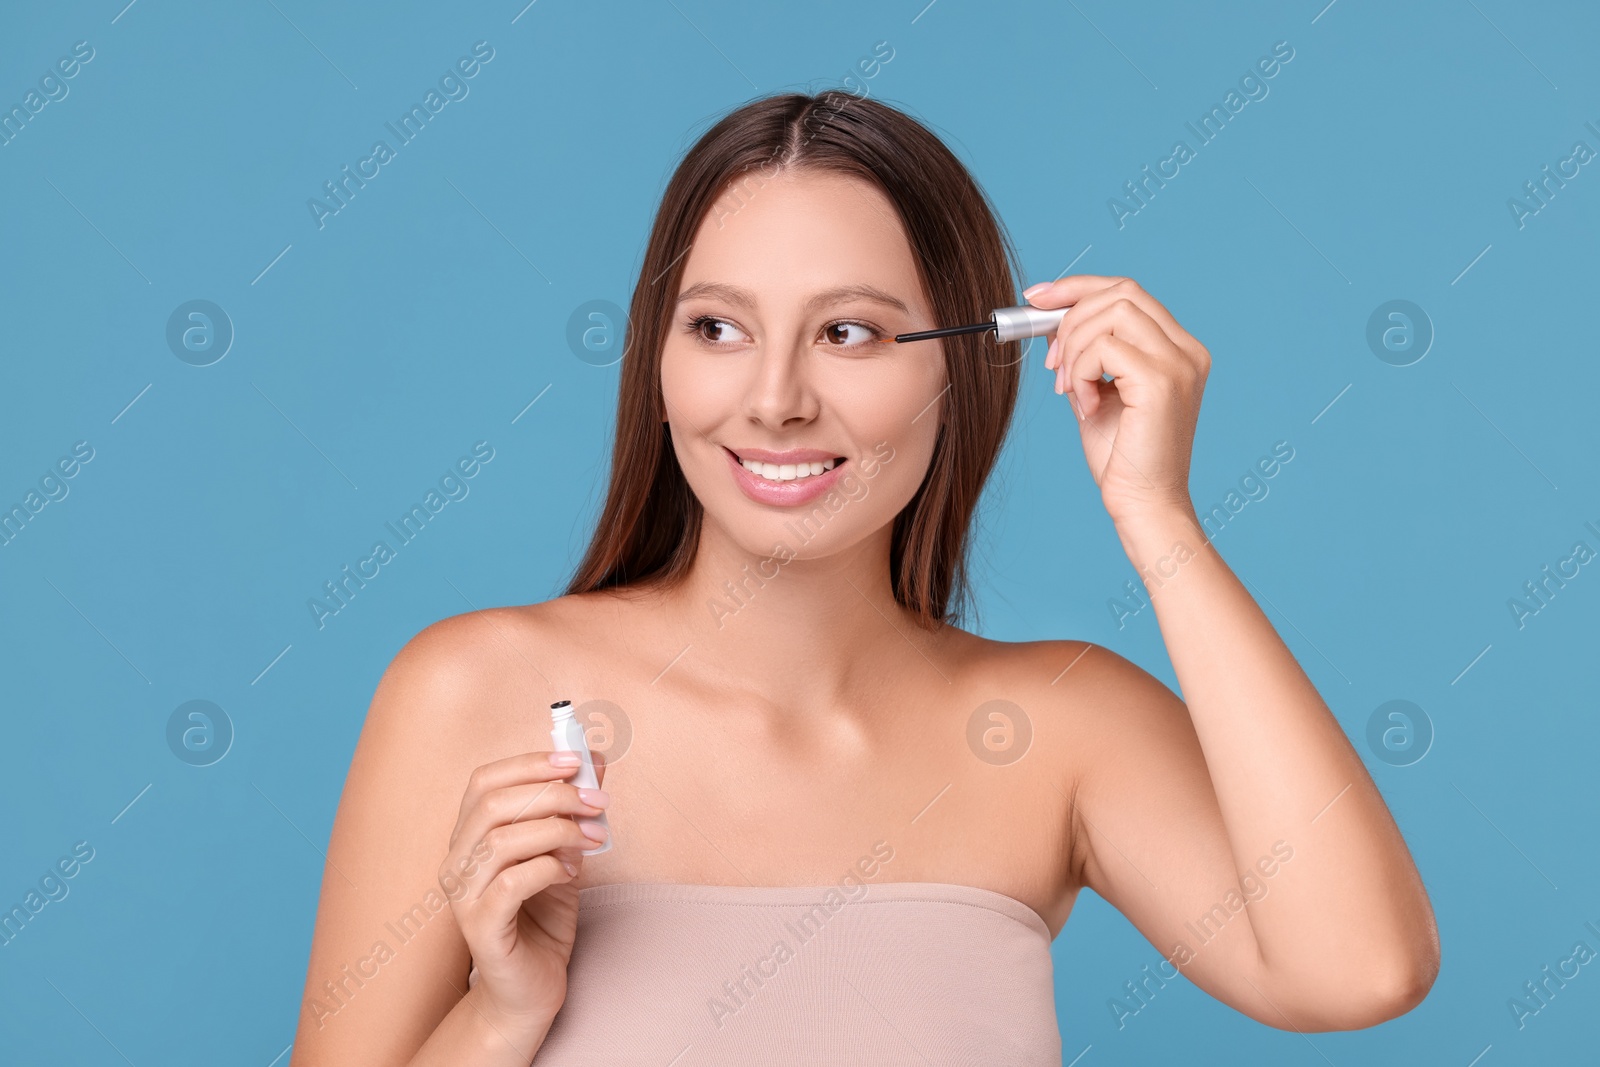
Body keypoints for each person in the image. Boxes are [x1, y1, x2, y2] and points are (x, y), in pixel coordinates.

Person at [290, 89, 1440, 1066]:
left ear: (971, 365)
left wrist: (1158, 517)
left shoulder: (1058, 727)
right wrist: (501, 1017)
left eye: (848, 333)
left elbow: (1359, 968)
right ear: (658, 357)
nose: (776, 397)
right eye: (718, 327)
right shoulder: (474, 695)